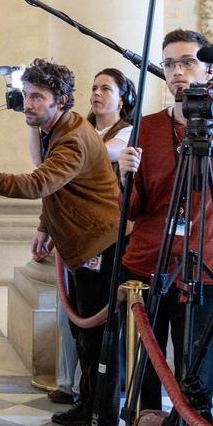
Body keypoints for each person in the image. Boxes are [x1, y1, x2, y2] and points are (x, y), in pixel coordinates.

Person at [0, 58, 122, 426]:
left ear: (60, 100)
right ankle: (85, 407)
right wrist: (46, 226)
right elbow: (59, 189)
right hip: (79, 244)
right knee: (83, 336)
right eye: (26, 95)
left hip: (101, 247)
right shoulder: (57, 129)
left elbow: (38, 182)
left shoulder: (73, 136)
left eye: (37, 97)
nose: (27, 103)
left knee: (100, 344)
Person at [117, 29, 213, 418]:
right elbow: (135, 210)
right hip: (148, 265)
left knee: (195, 378)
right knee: (144, 377)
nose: (177, 72)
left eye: (188, 62)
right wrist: (124, 177)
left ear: (209, 70)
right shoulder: (147, 127)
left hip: (206, 270)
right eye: (170, 64)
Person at [43, 68, 138, 406]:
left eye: (106, 88)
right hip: (74, 235)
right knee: (77, 325)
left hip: (108, 239)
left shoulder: (125, 133)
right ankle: (83, 399)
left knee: (97, 328)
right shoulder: (78, 130)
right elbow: (51, 178)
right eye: (94, 87)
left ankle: (101, 411)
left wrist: (55, 128)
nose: (97, 93)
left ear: (122, 97)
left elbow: (96, 153)